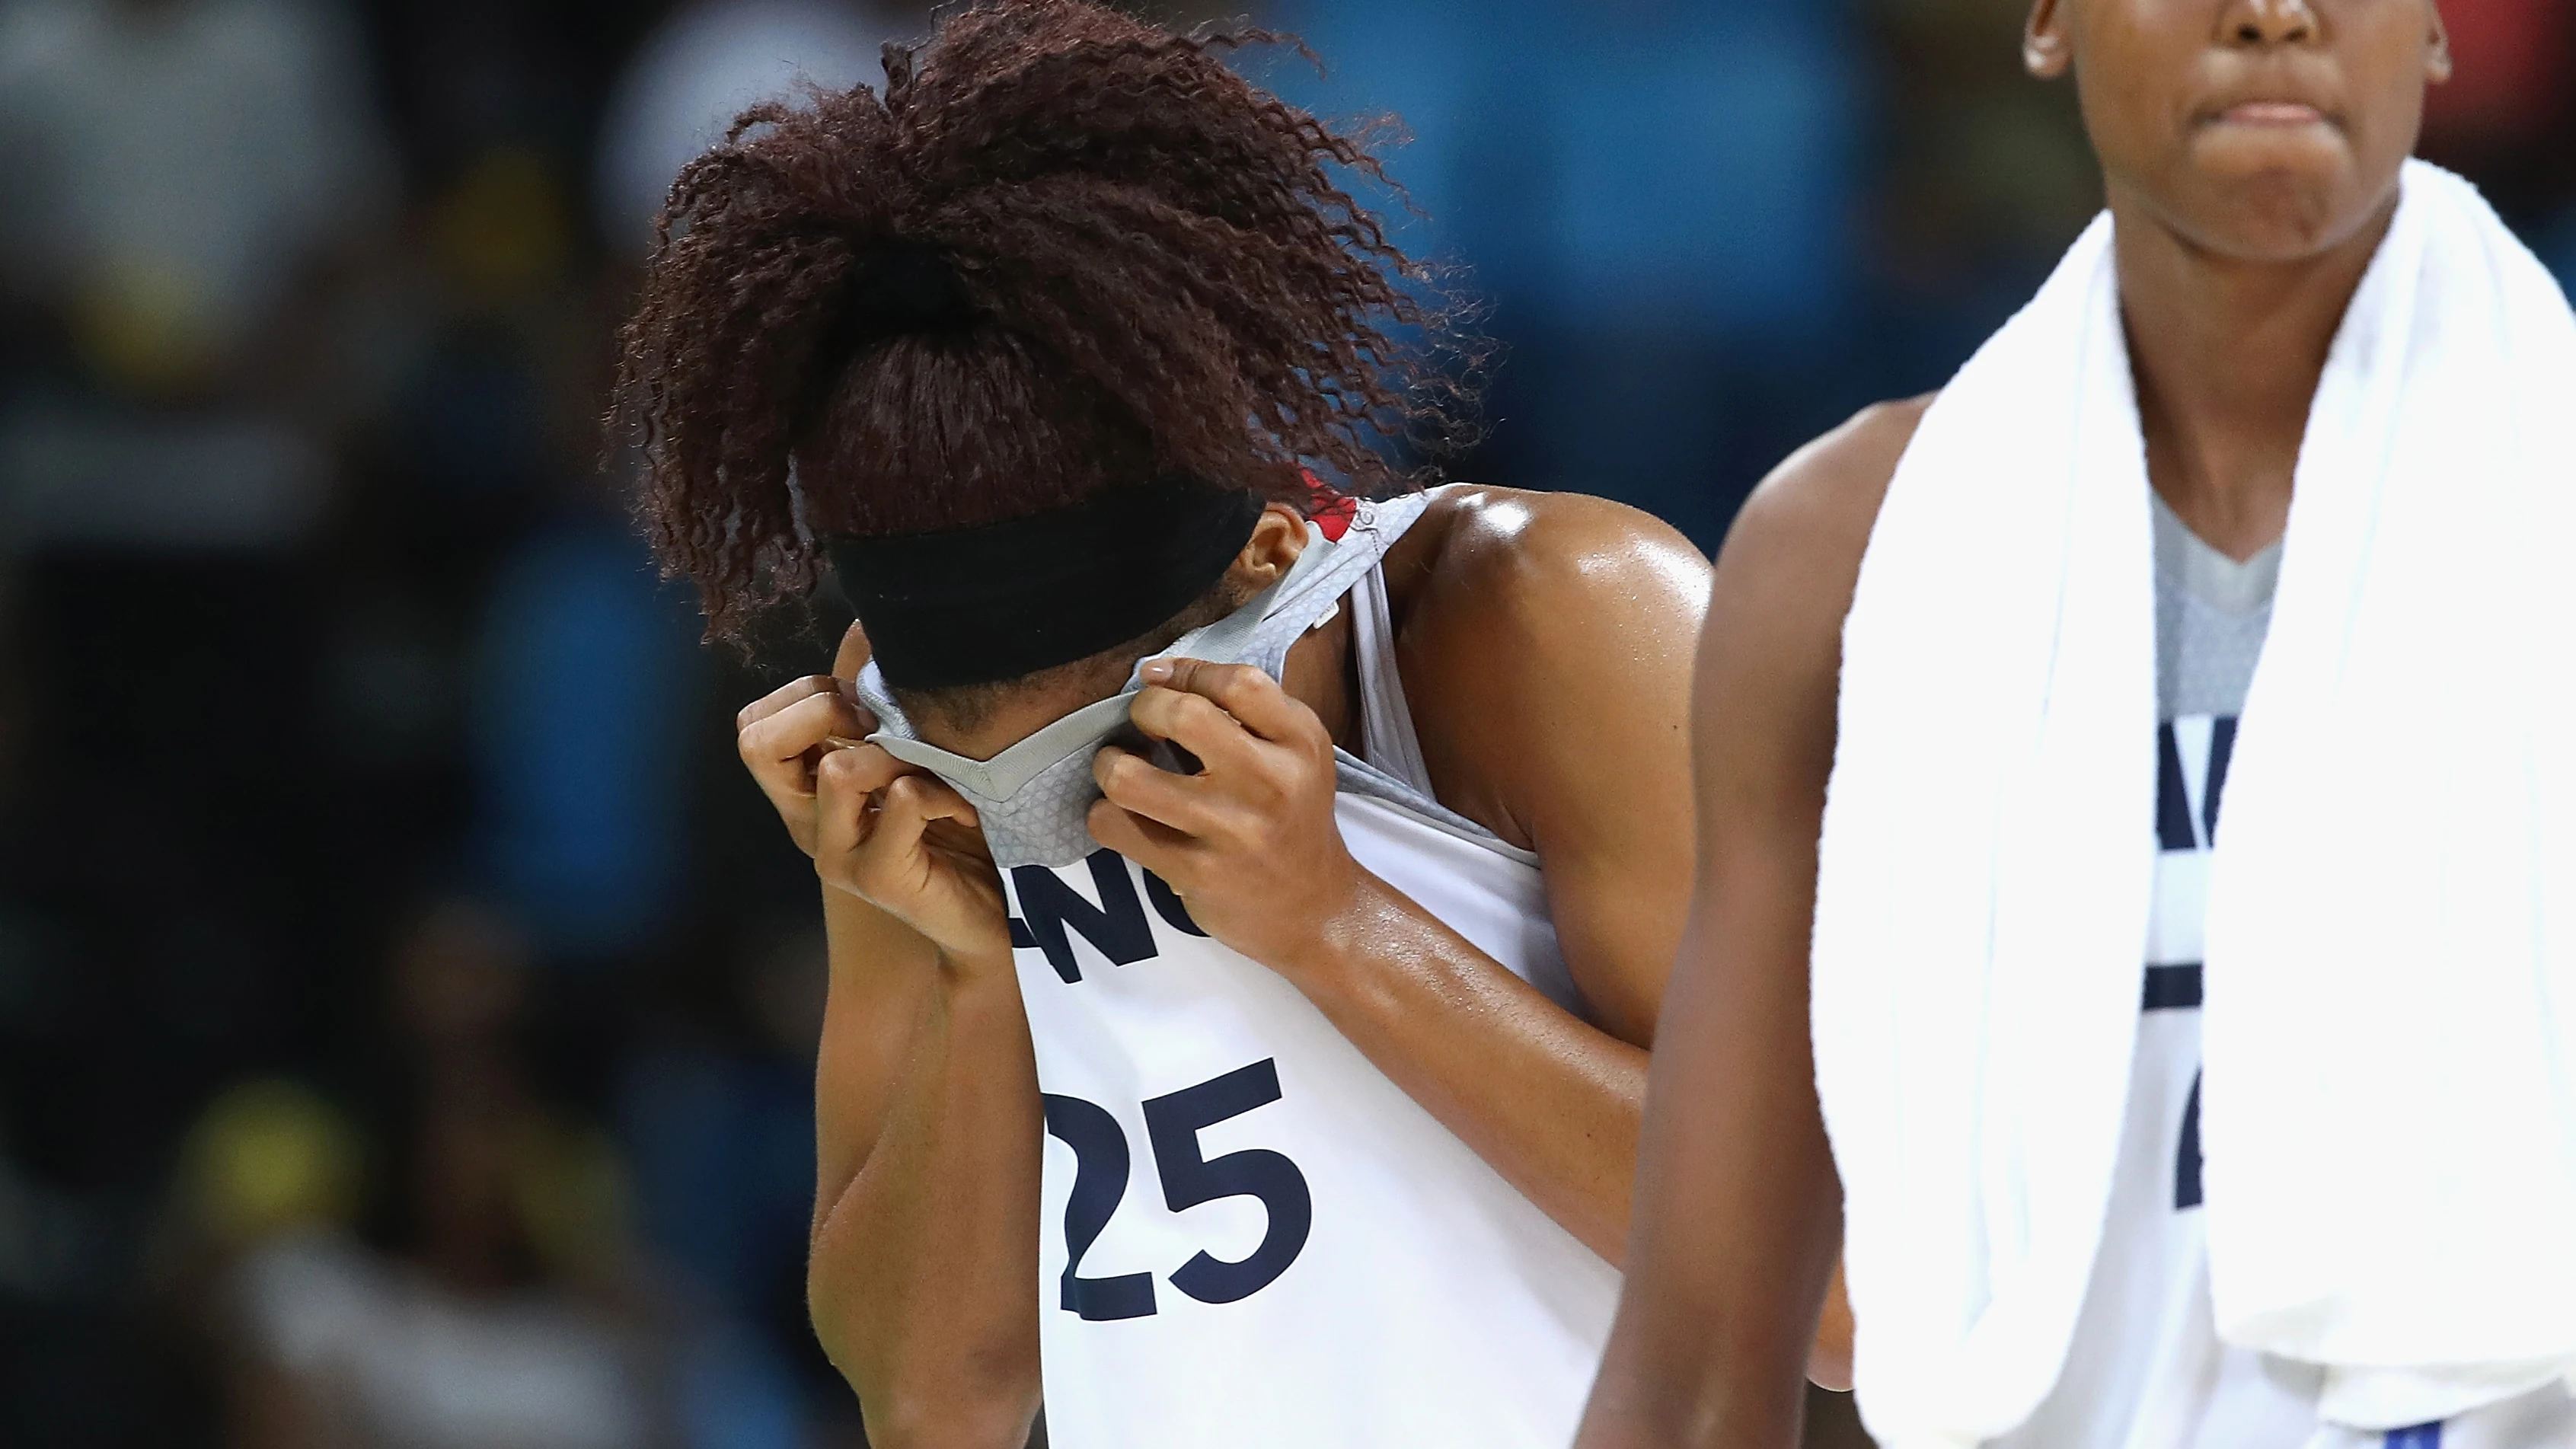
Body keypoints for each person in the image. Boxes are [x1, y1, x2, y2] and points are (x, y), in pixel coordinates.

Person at [608, 2, 1719, 1445]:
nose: (1049, 820)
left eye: (1103, 754)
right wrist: (976, 976)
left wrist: (1337, 924)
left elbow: (1840, 1288)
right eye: (993, 783)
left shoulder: (1554, 616)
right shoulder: (910, 750)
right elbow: (936, 1400)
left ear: (1269, 559)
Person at [1580, 2, 2576, 1447]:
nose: (2270, 13)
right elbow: (1697, 1371)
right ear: (2047, 20)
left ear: (2431, 26)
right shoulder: (1849, 549)